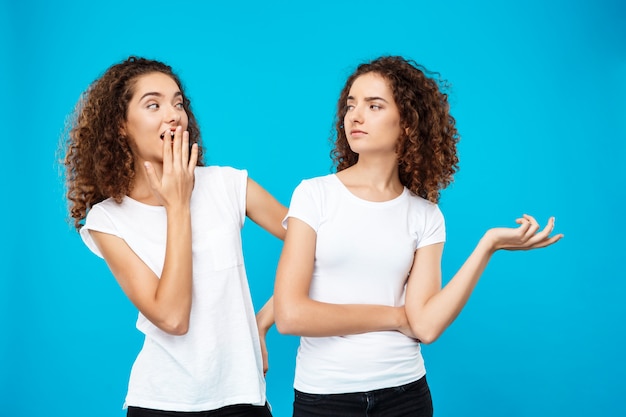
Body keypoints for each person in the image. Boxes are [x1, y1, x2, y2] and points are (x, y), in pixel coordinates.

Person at [273, 56, 563, 417]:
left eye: (373, 105)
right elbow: (290, 315)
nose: (355, 116)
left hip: (405, 395)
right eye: (351, 105)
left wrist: (487, 246)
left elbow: (425, 324)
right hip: (325, 396)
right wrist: (394, 317)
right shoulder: (314, 195)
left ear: (408, 124)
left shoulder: (426, 215)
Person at [62, 56, 286, 417]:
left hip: (243, 397)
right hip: (161, 402)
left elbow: (316, 246)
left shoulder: (227, 185)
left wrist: (260, 324)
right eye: (154, 104)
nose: (174, 114)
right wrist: (178, 205)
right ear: (121, 125)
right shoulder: (108, 220)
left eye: (178, 103)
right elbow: (172, 317)